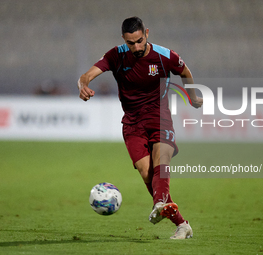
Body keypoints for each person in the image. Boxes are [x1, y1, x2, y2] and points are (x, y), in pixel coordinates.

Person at [78, 16, 203, 239]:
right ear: (123, 40)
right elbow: (87, 75)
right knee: (147, 173)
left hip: (160, 117)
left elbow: (185, 72)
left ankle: (159, 204)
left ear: (147, 33)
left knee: (161, 160)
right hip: (132, 122)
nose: (135, 47)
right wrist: (83, 85)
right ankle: (182, 224)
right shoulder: (116, 55)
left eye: (139, 41)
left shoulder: (165, 56)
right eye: (130, 42)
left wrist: (192, 96)